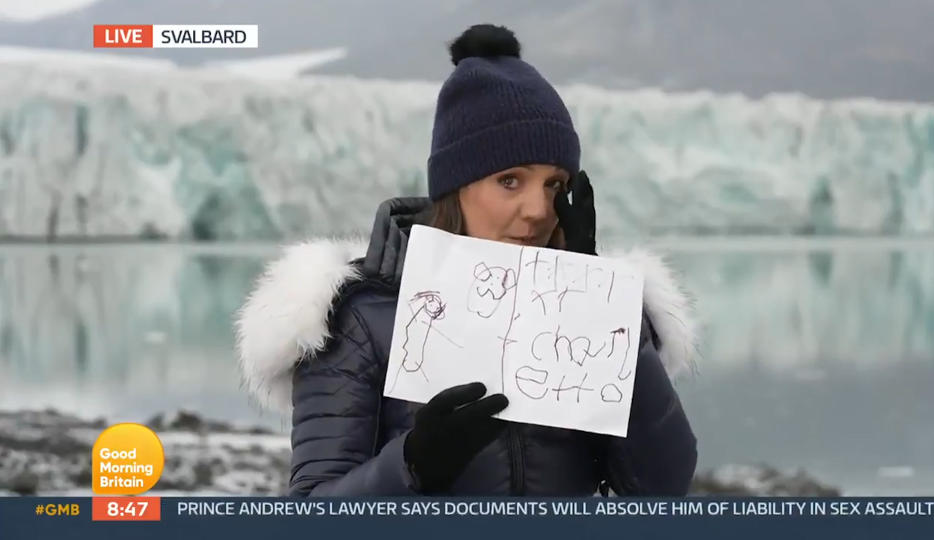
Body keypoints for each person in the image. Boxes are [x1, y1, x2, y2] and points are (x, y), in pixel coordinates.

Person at [237, 24, 699, 496]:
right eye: (510, 181)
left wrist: (598, 307)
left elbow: (661, 484)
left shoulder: (600, 310)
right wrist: (412, 465)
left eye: (555, 184)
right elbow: (314, 512)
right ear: (457, 186)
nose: (539, 210)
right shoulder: (361, 317)